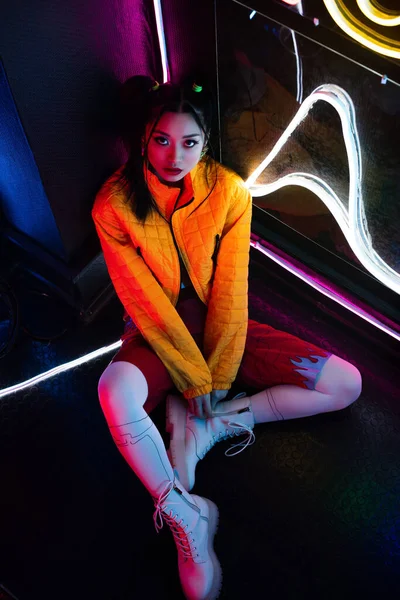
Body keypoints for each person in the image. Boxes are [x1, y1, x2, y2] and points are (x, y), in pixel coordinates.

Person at [92, 75, 362, 600]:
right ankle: (186, 517)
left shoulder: (230, 193)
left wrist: (216, 379)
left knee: (345, 384)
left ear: (207, 142)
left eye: (189, 142)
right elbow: (146, 305)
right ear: (144, 138)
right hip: (155, 335)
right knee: (111, 391)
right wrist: (196, 383)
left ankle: (212, 428)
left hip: (222, 334)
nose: (176, 155)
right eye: (162, 141)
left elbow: (232, 294)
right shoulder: (115, 204)